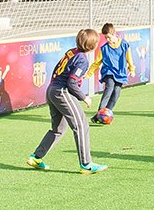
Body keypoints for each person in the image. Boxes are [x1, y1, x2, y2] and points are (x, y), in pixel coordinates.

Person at [27, 28, 108, 174]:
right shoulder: (82, 60)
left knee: (58, 129)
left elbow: (57, 70)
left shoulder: (72, 52)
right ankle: (86, 164)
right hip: (62, 92)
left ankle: (36, 157)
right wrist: (84, 97)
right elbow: (71, 83)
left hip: (52, 90)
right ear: (93, 45)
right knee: (81, 125)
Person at [86, 23, 136, 124]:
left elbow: (129, 58)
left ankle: (103, 115)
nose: (107, 40)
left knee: (116, 93)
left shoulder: (124, 44)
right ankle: (100, 112)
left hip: (120, 73)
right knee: (109, 88)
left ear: (114, 33)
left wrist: (132, 69)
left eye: (108, 37)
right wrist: (89, 74)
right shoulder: (104, 48)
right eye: (105, 38)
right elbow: (96, 63)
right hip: (109, 72)